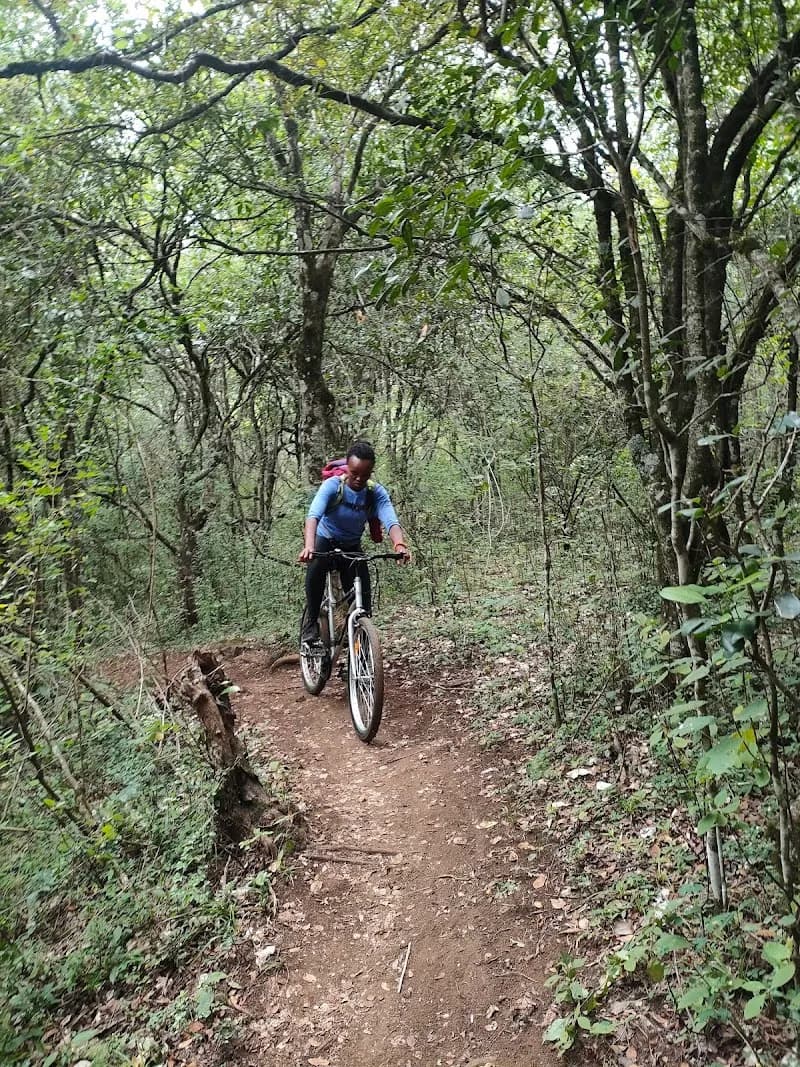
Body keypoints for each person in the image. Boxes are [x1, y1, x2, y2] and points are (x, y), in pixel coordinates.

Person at [298, 440, 411, 644]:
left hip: (351, 545)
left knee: (363, 604)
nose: (359, 479)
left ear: (371, 473)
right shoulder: (333, 486)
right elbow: (313, 515)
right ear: (347, 469)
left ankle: (357, 655)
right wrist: (309, 546)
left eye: (365, 475)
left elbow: (390, 520)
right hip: (325, 540)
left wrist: (399, 545)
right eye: (354, 473)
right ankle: (311, 623)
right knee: (315, 570)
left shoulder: (375, 493)